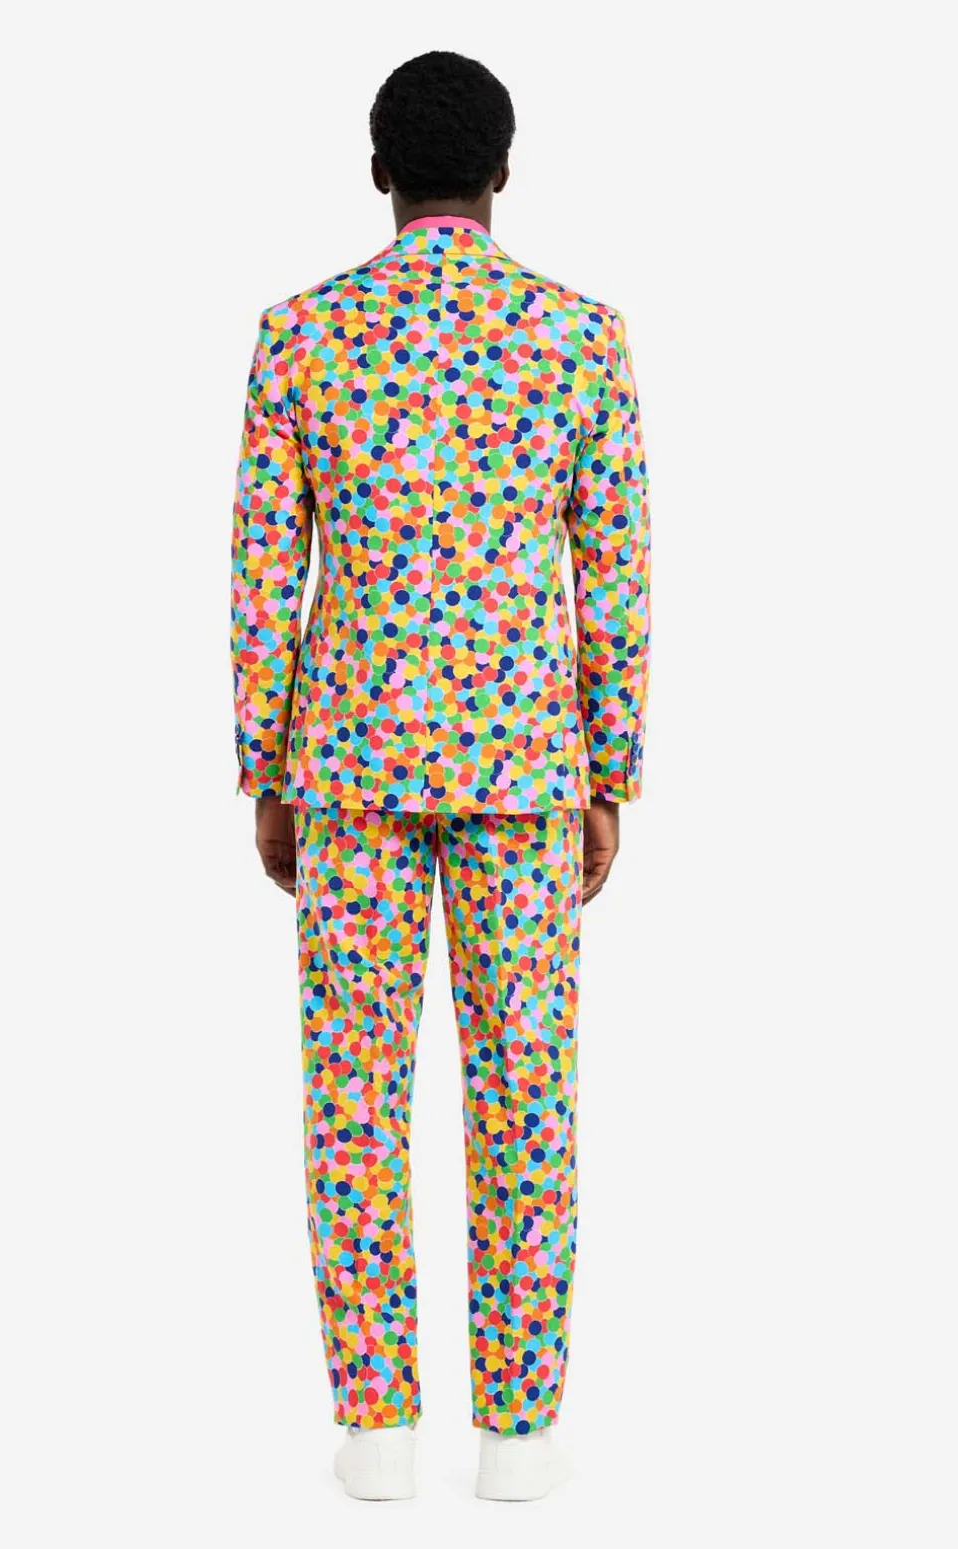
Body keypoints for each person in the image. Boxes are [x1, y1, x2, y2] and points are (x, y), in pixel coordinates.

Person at [230, 49, 651, 1501]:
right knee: (526, 1097)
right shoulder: (579, 340)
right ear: (505, 172)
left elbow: (263, 573)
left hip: (348, 769)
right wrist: (611, 772)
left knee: (354, 1099)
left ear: (378, 173)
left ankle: (375, 1431)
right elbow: (615, 579)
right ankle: (517, 1436)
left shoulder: (301, 337)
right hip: (526, 772)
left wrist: (266, 764)